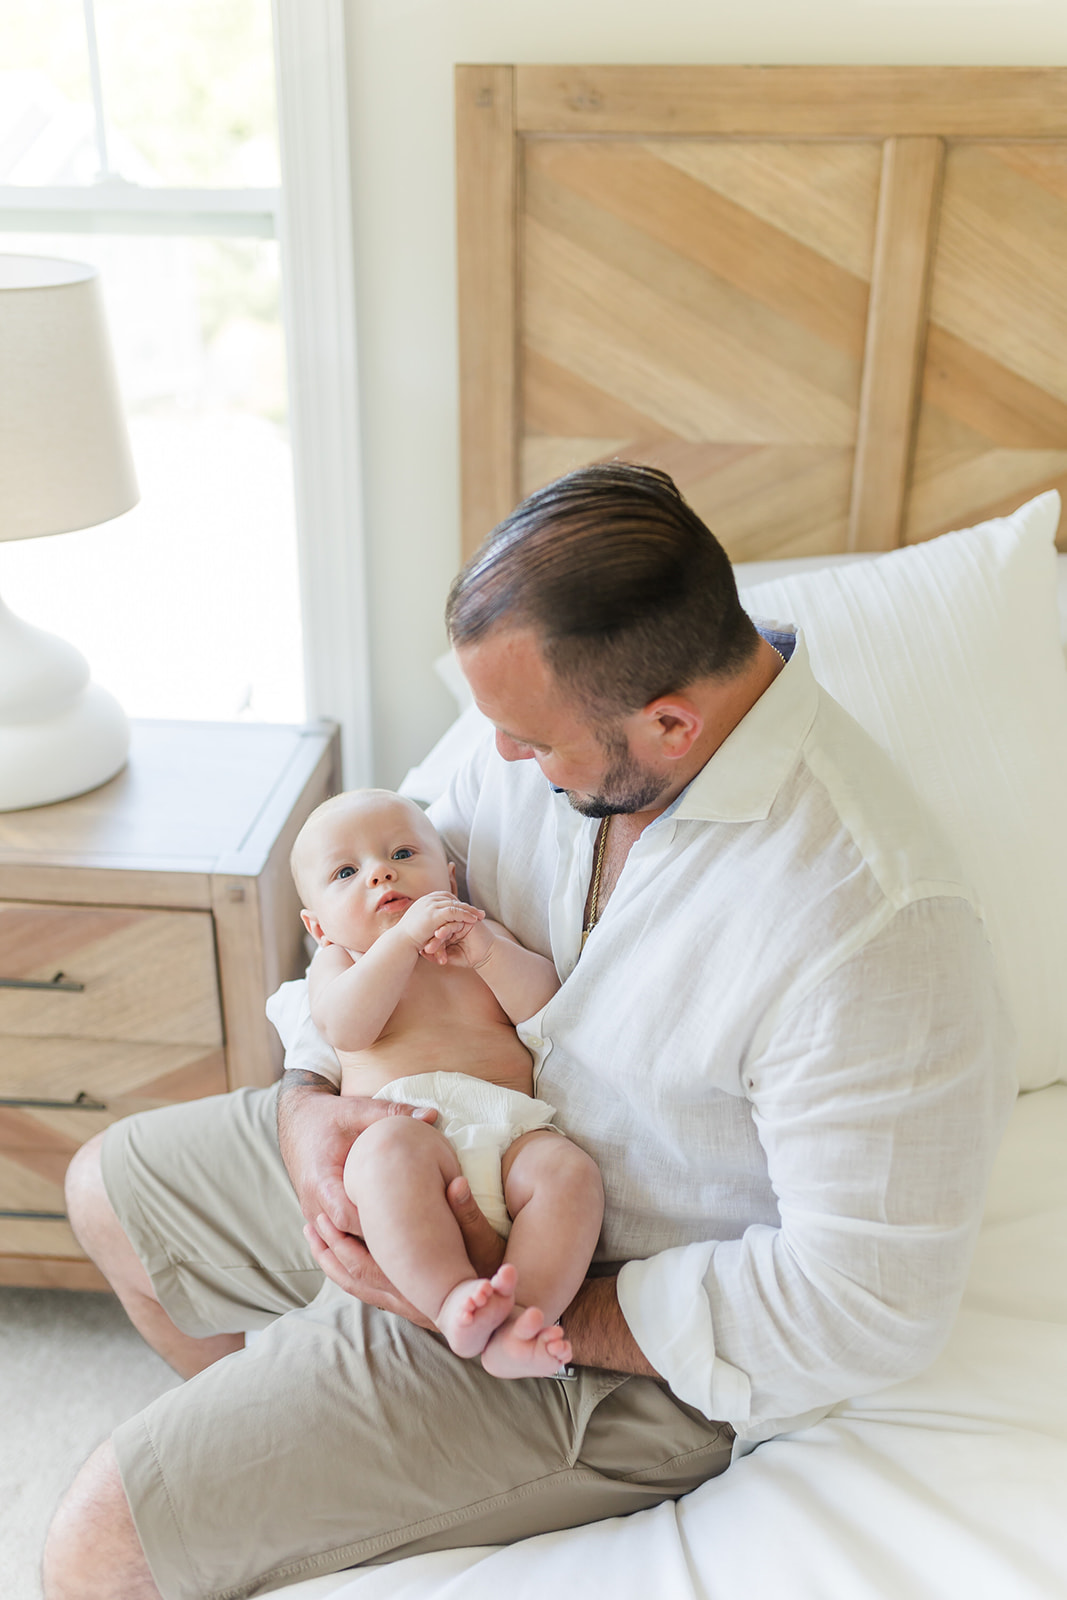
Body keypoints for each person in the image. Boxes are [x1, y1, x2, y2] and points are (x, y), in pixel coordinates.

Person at [45, 463, 1015, 1600]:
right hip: (414, 1134)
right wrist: (314, 1107)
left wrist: (528, 1301)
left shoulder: (870, 925)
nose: (495, 756)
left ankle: (281, 1463)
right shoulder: (545, 720)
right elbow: (366, 898)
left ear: (668, 722)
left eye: (528, 741)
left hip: (603, 1327)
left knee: (97, 1546)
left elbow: (861, 1307)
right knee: (106, 1186)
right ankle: (273, 1441)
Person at [288, 787, 603, 1377]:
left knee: (569, 1172)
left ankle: (521, 1322)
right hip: (408, 1133)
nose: (381, 872)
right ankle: (452, 1298)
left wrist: (485, 952)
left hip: (509, 1132)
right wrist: (402, 942)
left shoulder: (483, 935)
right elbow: (347, 1028)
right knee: (384, 1155)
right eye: (347, 871)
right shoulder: (342, 963)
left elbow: (542, 1006)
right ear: (318, 926)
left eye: (403, 853)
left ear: (450, 880)